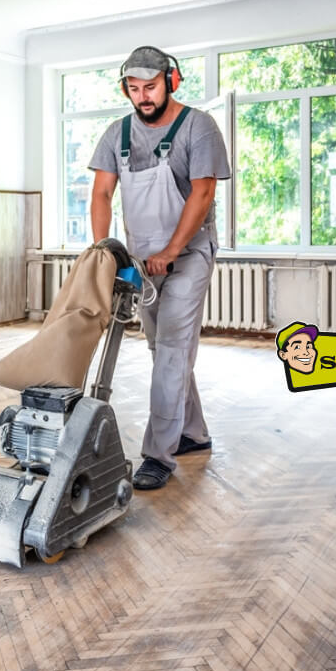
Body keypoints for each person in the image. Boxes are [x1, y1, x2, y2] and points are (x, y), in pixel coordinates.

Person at [88, 46, 231, 489]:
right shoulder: (117, 134)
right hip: (141, 261)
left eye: (150, 87)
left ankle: (159, 456)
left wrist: (171, 251)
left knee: (170, 349)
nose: (142, 96)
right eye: (133, 88)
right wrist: (104, 251)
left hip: (188, 256)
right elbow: (100, 195)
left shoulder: (199, 127)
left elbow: (202, 195)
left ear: (172, 81)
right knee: (162, 350)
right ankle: (192, 434)